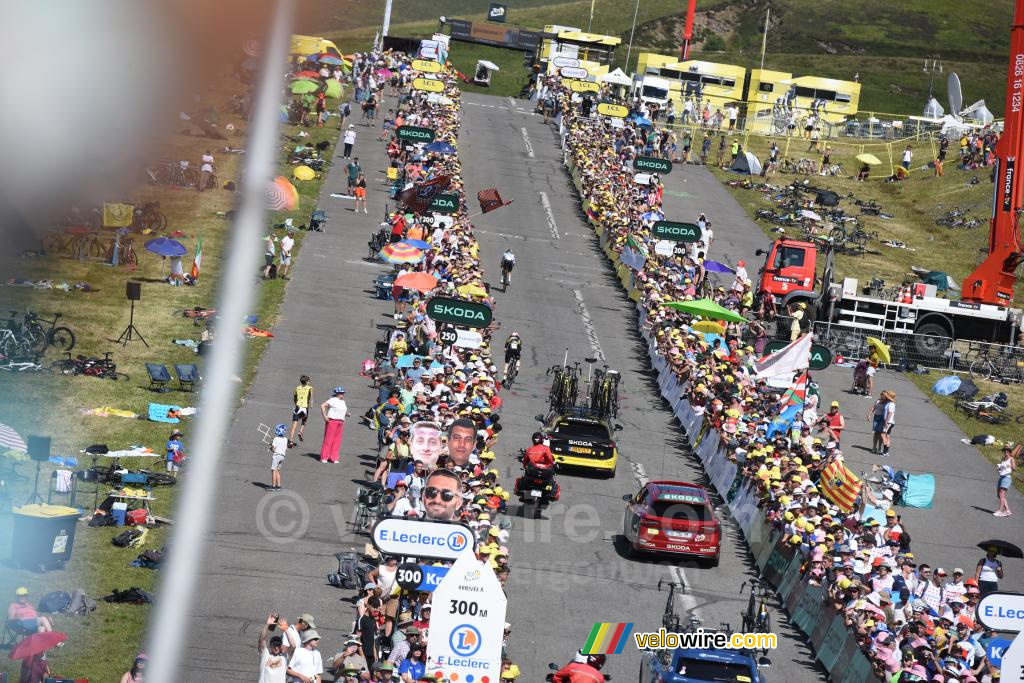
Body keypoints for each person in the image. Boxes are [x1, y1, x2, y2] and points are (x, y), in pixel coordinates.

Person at [259, 614, 298, 683]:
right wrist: (267, 625)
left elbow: (293, 646)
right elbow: (262, 639)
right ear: (270, 646)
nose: (276, 647)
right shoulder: (265, 655)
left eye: (278, 645)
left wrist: (286, 630)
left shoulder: (284, 658)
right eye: (274, 645)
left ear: (281, 646)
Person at [320, 386, 347, 464]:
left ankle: (334, 457)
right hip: (332, 421)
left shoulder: (343, 401)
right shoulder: (333, 400)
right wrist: (325, 416)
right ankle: (324, 457)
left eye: (343, 393)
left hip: (340, 421)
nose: (343, 394)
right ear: (337, 393)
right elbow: (322, 405)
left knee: (337, 441)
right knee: (328, 439)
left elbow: (341, 411)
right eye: (341, 393)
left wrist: (346, 414)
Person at [868, 390, 896, 457]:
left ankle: (883, 450)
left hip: (886, 421)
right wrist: (869, 414)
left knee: (883, 434)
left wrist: (886, 422)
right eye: (882, 395)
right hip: (883, 420)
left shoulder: (889, 403)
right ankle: (880, 449)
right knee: (882, 434)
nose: (883, 396)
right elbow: (874, 407)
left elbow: (890, 413)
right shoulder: (886, 402)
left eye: (885, 395)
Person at [289, 375, 313, 446]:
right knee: (304, 420)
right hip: (305, 407)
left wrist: (296, 404)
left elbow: (295, 398)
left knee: (294, 425)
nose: (309, 382)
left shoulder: (297, 388)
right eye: (308, 381)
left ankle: (291, 441)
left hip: (298, 407)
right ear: (306, 381)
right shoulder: (310, 388)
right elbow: (311, 397)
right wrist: (311, 404)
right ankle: (301, 431)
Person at [995, 445, 1016, 516]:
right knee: (999, 495)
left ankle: (1000, 511)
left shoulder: (1011, 459)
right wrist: (998, 468)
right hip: (1001, 477)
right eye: (1004, 450)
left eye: (1007, 450)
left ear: (1010, 451)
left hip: (1007, 478)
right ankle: (1007, 510)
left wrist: (1010, 466)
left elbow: (1014, 468)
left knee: (1002, 494)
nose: (1006, 451)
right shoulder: (1003, 458)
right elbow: (1001, 466)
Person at [269, 424, 288, 491]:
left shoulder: (275, 439)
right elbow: (286, 449)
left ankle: (273, 486)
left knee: (273, 470)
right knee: (278, 471)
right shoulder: (285, 439)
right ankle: (279, 486)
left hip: (277, 456)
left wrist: (270, 447)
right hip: (282, 456)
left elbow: (273, 449)